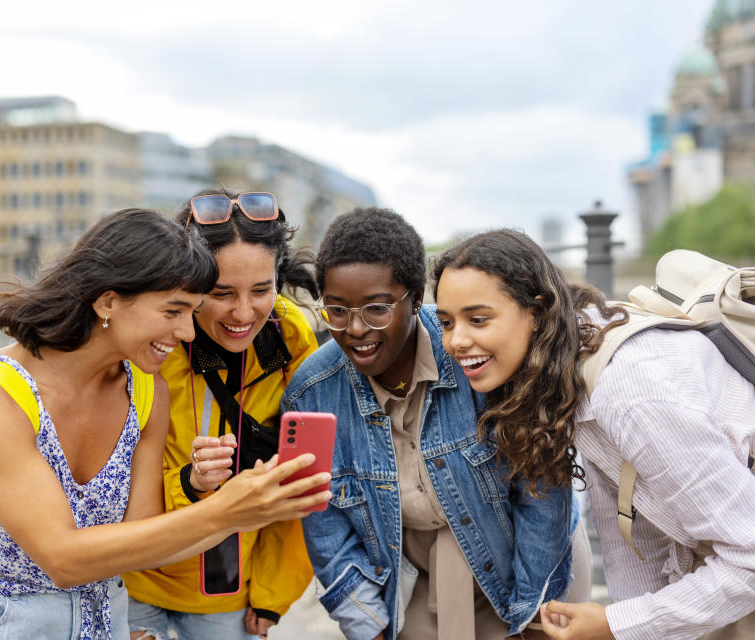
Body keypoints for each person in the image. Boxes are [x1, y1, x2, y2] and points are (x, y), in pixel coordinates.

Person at [0, 208, 331, 640]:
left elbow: (143, 540)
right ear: (107, 300)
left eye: (191, 311)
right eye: (174, 310)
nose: (189, 333)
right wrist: (226, 509)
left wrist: (247, 508)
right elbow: (61, 559)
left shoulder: (144, 392)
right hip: (0, 625)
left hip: (103, 621)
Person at [430, 229, 755, 640]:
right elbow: (630, 533)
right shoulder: (573, 368)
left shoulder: (631, 393)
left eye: (478, 319)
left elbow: (750, 555)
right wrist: (625, 622)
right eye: (445, 322)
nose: (456, 341)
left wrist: (616, 624)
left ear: (537, 310)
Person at [282, 208, 589, 640]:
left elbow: (539, 496)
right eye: (336, 309)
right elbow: (325, 526)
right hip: (409, 575)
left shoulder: (477, 357)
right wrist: (368, 625)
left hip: (532, 557)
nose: (354, 329)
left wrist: (534, 617)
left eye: (376, 309)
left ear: (416, 299)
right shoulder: (311, 393)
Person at [123, 190, 320, 640]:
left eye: (261, 290)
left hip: (227, 594)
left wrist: (272, 596)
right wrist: (189, 483)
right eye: (221, 293)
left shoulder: (289, 339)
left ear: (279, 278)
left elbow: (302, 482)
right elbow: (107, 474)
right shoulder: (154, 343)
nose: (243, 313)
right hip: (131, 580)